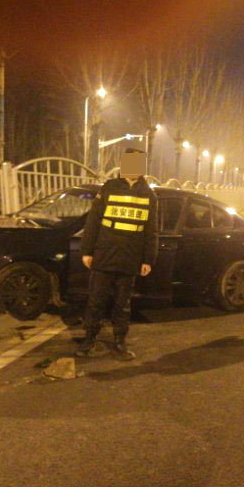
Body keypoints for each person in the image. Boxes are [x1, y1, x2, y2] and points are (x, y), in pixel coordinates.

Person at [77, 148, 158, 360]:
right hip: (105, 253)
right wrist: (87, 251)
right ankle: (89, 339)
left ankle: (120, 341)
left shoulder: (148, 194)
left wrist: (148, 259)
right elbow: (93, 221)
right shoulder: (109, 187)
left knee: (123, 305)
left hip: (130, 256)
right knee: (96, 300)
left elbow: (151, 230)